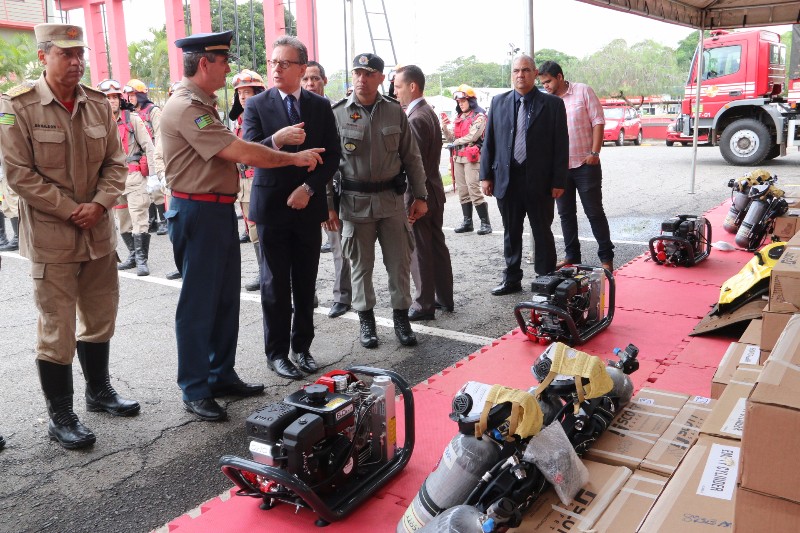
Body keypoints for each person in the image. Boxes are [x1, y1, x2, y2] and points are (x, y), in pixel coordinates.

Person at [161, 30, 324, 419]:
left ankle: (220, 374)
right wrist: (294, 158)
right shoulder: (187, 106)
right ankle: (196, 387)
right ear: (205, 64)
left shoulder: (202, 104)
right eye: (223, 61)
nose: (228, 68)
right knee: (200, 303)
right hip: (197, 211)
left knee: (224, 300)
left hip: (216, 211)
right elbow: (239, 150)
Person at [0, 23, 140, 450]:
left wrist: (98, 204)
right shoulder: (19, 107)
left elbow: (117, 163)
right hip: (52, 237)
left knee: (100, 317)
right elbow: (18, 174)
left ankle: (99, 391)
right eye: (66, 54)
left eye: (80, 53)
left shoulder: (98, 104)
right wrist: (70, 209)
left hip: (97, 232)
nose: (77, 61)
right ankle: (60, 415)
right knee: (57, 327)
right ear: (43, 56)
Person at [242, 37, 341, 380]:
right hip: (271, 207)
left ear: (302, 68)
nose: (277, 69)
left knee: (305, 280)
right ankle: (277, 353)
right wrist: (277, 140)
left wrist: (309, 188)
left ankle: (302, 346)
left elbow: (333, 156)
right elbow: (248, 150)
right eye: (273, 63)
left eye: (285, 63)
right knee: (274, 284)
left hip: (306, 206)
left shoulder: (318, 105)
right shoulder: (256, 105)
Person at [329, 53, 428, 348]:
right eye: (358, 72)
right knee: (360, 266)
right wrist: (328, 206)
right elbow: (328, 166)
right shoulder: (338, 113)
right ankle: (366, 322)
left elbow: (412, 157)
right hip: (353, 203)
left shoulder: (395, 111)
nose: (362, 78)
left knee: (399, 264)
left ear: (381, 78)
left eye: (369, 73)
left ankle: (401, 319)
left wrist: (420, 196)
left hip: (390, 201)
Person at [479, 54, 568, 295]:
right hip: (507, 179)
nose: (521, 75)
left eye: (526, 70)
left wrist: (559, 180)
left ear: (535, 73)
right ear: (512, 74)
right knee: (511, 231)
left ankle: (545, 278)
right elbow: (490, 142)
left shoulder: (552, 104)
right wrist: (485, 175)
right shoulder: (498, 102)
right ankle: (512, 279)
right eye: (517, 70)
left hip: (539, 180)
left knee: (542, 230)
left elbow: (561, 145)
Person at [538, 61, 614, 271]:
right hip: (561, 169)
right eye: (543, 83)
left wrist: (595, 153)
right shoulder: (547, 101)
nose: (546, 86)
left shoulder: (583, 91)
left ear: (560, 77)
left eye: (548, 81)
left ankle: (606, 258)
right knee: (565, 215)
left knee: (594, 212)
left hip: (585, 164)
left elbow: (598, 121)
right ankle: (572, 257)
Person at [392, 65, 454, 320]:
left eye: (398, 86)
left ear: (412, 86)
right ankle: (444, 297)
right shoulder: (426, 111)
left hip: (422, 194)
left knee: (420, 249)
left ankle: (424, 304)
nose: (395, 92)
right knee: (436, 246)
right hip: (434, 191)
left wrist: (412, 200)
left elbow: (412, 166)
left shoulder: (416, 117)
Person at [302, 60, 352, 319]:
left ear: (324, 81)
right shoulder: (295, 112)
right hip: (301, 192)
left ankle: (342, 297)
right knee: (303, 251)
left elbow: (336, 160)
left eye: (315, 79)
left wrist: (329, 203)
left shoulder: (335, 112)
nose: (310, 83)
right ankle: (306, 296)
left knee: (338, 247)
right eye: (306, 79)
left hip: (332, 191)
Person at [98, 79, 156, 277]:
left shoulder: (133, 119)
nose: (112, 101)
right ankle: (132, 255)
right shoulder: (99, 123)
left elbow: (148, 145)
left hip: (134, 176)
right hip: (112, 181)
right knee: (122, 220)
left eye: (115, 97)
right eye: (107, 98)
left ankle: (141, 260)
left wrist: (154, 174)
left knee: (139, 217)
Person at [229, 69, 266, 291]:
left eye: (248, 92)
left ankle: (271, 273)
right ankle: (264, 272)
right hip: (243, 182)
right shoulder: (239, 121)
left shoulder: (265, 117)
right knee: (252, 229)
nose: (243, 97)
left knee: (264, 229)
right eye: (240, 93)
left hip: (258, 179)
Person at [441, 84, 492, 235]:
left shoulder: (479, 117)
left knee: (473, 189)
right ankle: (467, 222)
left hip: (472, 158)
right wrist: (444, 128)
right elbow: (452, 137)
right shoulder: (459, 118)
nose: (460, 104)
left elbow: (473, 136)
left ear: (471, 101)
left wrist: (454, 142)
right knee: (463, 191)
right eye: (459, 102)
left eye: (463, 101)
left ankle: (485, 223)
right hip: (458, 158)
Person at [127, 78, 167, 236]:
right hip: (140, 155)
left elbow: (159, 133)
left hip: (154, 152)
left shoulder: (153, 110)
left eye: (133, 95)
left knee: (157, 188)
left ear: (141, 95)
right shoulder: (132, 114)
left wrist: (157, 154)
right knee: (146, 189)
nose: (130, 98)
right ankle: (151, 221)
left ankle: (163, 221)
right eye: (129, 95)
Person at [0, 158, 19, 251]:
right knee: (6, 207)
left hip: (9, 174)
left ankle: (18, 238)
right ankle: (12, 238)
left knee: (15, 206)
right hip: (3, 176)